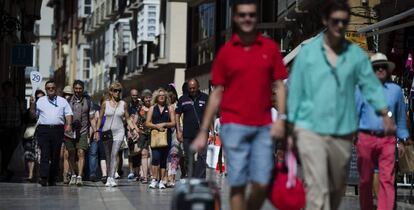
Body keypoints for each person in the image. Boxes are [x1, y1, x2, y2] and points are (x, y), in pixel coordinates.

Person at [287, 1, 396, 209]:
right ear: (325, 21)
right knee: (317, 186)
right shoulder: (309, 53)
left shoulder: (354, 55)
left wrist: (385, 114)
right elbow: (294, 89)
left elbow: (370, 86)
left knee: (336, 187)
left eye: (344, 21)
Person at [192, 1, 288, 209]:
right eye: (243, 15)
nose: (247, 18)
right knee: (238, 183)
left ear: (256, 17)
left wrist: (281, 118)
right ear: (235, 18)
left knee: (263, 183)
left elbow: (280, 86)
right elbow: (216, 93)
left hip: (263, 127)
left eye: (252, 15)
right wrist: (203, 130)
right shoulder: (226, 52)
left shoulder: (270, 48)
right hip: (233, 125)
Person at [356, 53, 409, 210]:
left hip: (388, 140)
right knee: (365, 180)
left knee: (387, 179)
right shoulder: (360, 90)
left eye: (383, 66)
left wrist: (402, 140)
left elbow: (400, 118)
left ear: (387, 69)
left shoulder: (396, 91)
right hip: (365, 138)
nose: (380, 69)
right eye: (376, 67)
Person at [95, 82, 139, 187]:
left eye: (119, 91)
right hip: (106, 132)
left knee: (114, 154)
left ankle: (111, 177)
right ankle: (109, 176)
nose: (117, 93)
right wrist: (97, 131)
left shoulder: (123, 104)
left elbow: (128, 118)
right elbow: (100, 118)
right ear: (111, 92)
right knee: (108, 155)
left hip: (119, 131)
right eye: (115, 90)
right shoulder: (105, 103)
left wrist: (133, 129)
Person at [31, 80, 73, 186]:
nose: (50, 89)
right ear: (45, 89)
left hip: (57, 130)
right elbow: (33, 115)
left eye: (52, 88)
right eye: (48, 88)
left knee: (55, 155)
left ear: (56, 89)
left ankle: (53, 177)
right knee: (45, 153)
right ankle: (44, 177)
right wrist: (32, 104)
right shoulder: (40, 101)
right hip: (44, 129)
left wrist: (68, 125)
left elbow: (68, 113)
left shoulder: (62, 101)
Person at [176, 79, 209, 179]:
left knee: (202, 157)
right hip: (187, 134)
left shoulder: (205, 98)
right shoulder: (183, 99)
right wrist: (178, 131)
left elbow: (209, 115)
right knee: (189, 157)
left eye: (194, 88)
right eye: (190, 88)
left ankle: (200, 179)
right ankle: (190, 177)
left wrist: (211, 131)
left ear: (198, 86)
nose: (192, 90)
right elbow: (177, 114)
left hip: (202, 133)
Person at [145, 88, 176, 189]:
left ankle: (162, 180)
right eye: (159, 95)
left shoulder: (170, 108)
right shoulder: (152, 108)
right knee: (156, 157)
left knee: (164, 159)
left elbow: (173, 123)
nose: (161, 97)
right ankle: (154, 179)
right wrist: (157, 126)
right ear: (156, 97)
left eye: (163, 95)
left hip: (166, 136)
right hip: (155, 137)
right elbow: (147, 123)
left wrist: (165, 124)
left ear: (166, 97)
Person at [66, 80, 94, 186]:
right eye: (76, 88)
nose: (78, 90)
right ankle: (73, 174)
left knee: (81, 152)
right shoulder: (68, 101)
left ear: (83, 89)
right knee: (71, 154)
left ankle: (80, 176)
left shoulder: (88, 101)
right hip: (70, 132)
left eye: (80, 88)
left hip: (83, 131)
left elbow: (91, 117)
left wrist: (95, 131)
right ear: (73, 89)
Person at [0, 81, 24, 181]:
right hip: (3, 130)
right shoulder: (0, 101)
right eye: (6, 89)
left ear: (12, 90)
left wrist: (20, 130)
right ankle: (5, 170)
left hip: (14, 131)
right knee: (4, 151)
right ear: (3, 90)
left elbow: (22, 115)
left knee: (12, 151)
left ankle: (7, 170)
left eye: (9, 89)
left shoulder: (17, 101)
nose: (8, 91)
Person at [23, 90, 45, 182]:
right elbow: (31, 116)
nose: (40, 99)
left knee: (40, 156)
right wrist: (32, 104)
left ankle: (39, 174)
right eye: (38, 98)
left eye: (42, 97)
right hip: (31, 135)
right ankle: (31, 175)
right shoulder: (31, 109)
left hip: (43, 135)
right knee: (30, 155)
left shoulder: (47, 109)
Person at [89, 96, 108, 184]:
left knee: (105, 155)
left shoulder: (111, 114)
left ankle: (105, 174)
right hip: (98, 136)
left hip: (108, 137)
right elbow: (93, 123)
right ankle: (93, 173)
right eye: (105, 102)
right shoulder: (98, 112)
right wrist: (91, 135)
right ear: (101, 103)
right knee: (94, 153)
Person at [135, 89, 152, 184]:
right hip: (143, 134)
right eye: (146, 97)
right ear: (143, 99)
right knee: (144, 154)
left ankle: (151, 174)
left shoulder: (154, 108)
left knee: (152, 154)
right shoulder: (140, 109)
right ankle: (145, 176)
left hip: (153, 133)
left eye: (149, 97)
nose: (148, 99)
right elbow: (135, 121)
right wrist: (136, 130)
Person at [166, 84, 180, 187]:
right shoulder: (163, 106)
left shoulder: (178, 105)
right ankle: (166, 177)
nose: (171, 97)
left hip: (176, 132)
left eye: (172, 95)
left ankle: (173, 177)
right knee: (166, 156)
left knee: (174, 155)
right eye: (169, 96)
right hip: (165, 133)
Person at [127, 88, 141, 180]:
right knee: (131, 152)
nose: (135, 97)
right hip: (130, 130)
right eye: (133, 95)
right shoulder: (128, 105)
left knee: (139, 151)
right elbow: (126, 118)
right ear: (130, 95)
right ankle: (131, 171)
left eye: (136, 95)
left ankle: (139, 171)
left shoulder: (140, 104)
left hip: (139, 130)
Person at [61, 86, 74, 184]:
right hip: (60, 131)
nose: (67, 96)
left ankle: (68, 174)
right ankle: (64, 173)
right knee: (63, 155)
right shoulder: (60, 103)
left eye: (69, 94)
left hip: (71, 132)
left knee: (68, 154)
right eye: (66, 94)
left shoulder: (74, 104)